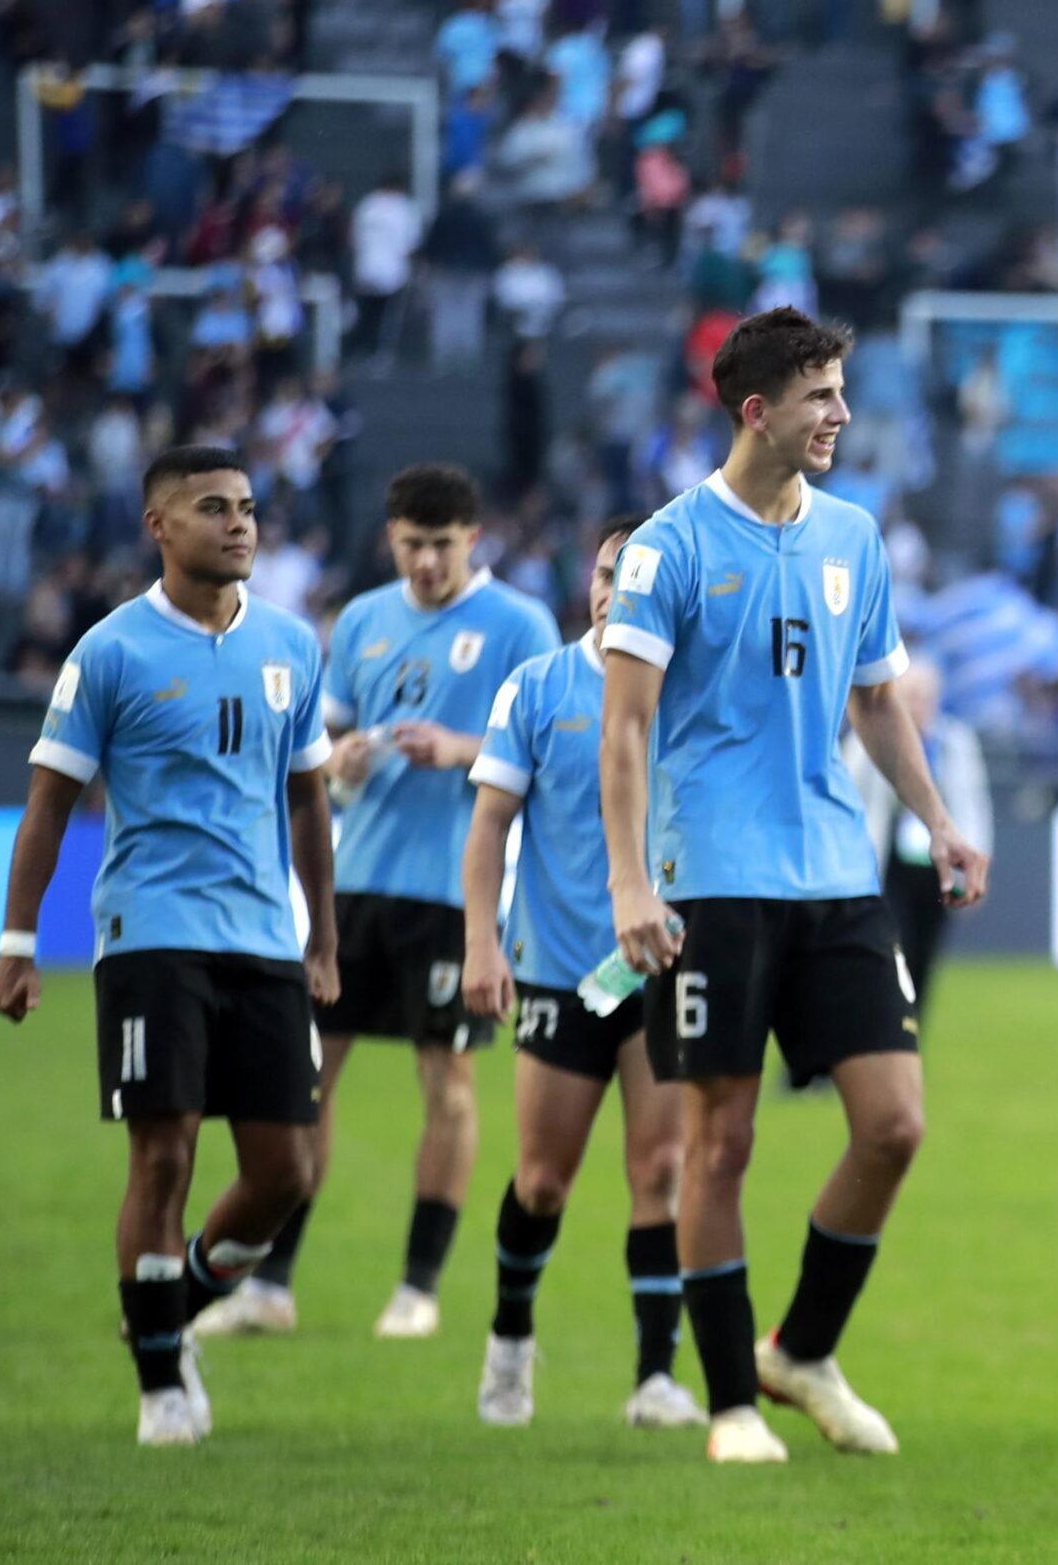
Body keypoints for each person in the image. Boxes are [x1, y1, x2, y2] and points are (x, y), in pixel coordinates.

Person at [599, 308, 992, 1466]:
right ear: (757, 409)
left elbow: (877, 699)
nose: (842, 415)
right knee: (720, 1144)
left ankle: (800, 1349)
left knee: (895, 1124)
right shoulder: (671, 548)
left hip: (839, 875)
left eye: (843, 391)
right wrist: (631, 880)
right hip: (709, 881)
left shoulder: (854, 538)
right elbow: (624, 731)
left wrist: (937, 821)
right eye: (822, 394)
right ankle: (728, 1402)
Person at [0, 445, 337, 1445]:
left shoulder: (290, 645)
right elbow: (49, 805)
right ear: (159, 528)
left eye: (249, 508)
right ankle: (161, 1387)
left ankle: (166, 1314)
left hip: (266, 939)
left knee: (285, 1173)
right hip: (152, 934)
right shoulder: (111, 651)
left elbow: (308, 800)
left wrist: (324, 940)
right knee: (164, 1156)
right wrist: (16, 942)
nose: (240, 524)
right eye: (214, 507)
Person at [196, 465, 560, 1341]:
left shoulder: (521, 625)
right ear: (390, 540)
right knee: (307, 1078)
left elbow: (553, 750)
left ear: (473, 539)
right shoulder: (360, 620)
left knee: (448, 1081)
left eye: (442, 545)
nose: (427, 562)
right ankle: (271, 1284)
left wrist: (463, 746)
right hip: (351, 885)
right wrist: (344, 761)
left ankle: (418, 1286)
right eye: (411, 545)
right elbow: (324, 744)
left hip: (451, 889)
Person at [459, 513, 708, 1432]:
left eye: (634, 574)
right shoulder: (537, 686)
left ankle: (654, 1377)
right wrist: (482, 943)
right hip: (563, 972)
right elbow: (488, 827)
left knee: (664, 1170)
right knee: (542, 1182)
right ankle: (511, 1341)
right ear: (590, 583)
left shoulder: (689, 689)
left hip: (664, 967)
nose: (617, 588)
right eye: (608, 571)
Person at [846, 657, 991, 1023]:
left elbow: (973, 806)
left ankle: (909, 1031)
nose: (918, 705)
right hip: (884, 864)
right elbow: (849, 798)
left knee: (924, 952)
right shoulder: (867, 740)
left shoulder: (954, 743)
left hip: (936, 866)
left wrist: (975, 864)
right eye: (910, 696)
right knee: (886, 950)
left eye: (925, 697)